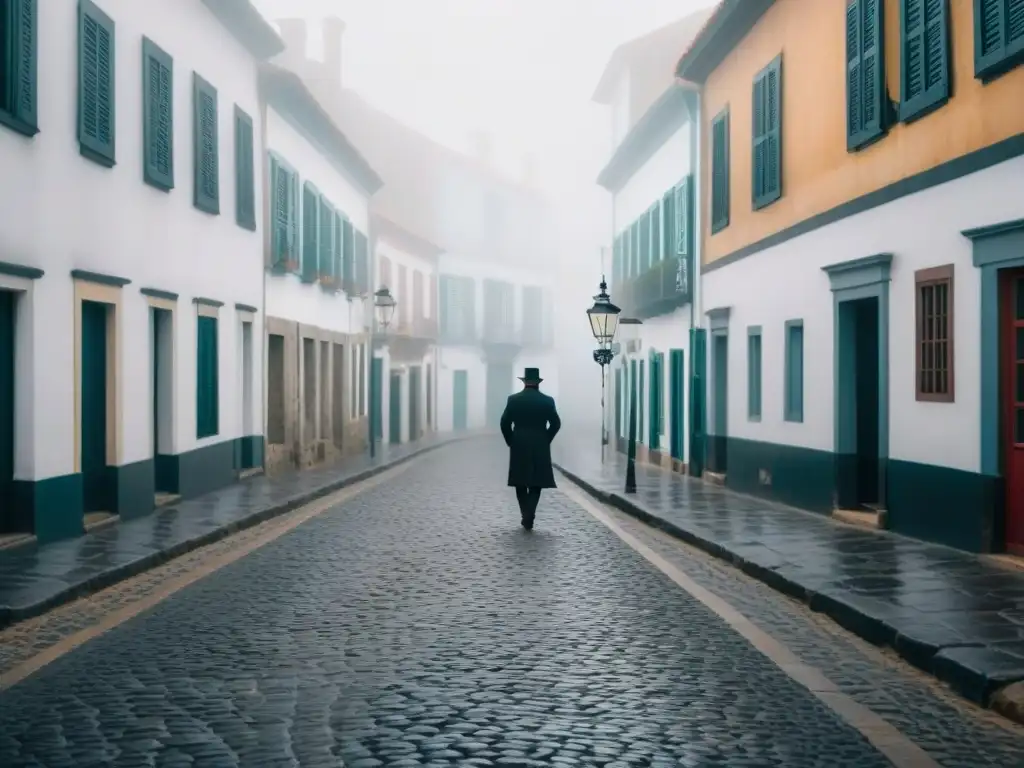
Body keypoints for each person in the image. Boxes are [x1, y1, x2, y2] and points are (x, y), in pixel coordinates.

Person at [499, 367, 561, 530]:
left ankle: (526, 514)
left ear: (524, 382)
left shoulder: (513, 400)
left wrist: (511, 440)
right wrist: (546, 438)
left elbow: (504, 423)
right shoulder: (547, 401)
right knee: (536, 481)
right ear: (538, 383)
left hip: (519, 442)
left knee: (520, 481)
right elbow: (556, 423)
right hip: (540, 442)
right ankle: (529, 514)